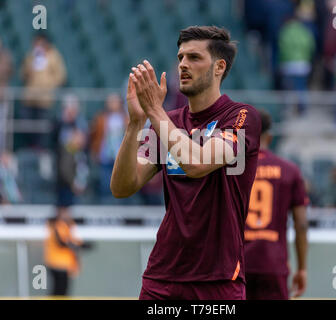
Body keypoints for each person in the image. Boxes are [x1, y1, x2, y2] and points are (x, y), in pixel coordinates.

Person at [111, 26, 261, 300]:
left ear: (219, 67)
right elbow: (122, 187)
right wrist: (135, 123)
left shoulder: (241, 117)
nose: (183, 65)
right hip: (162, 277)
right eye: (180, 57)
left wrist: (155, 111)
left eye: (194, 57)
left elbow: (196, 163)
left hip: (218, 280)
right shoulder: (168, 122)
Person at [244, 110, 309, 300]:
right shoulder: (289, 170)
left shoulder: (233, 170)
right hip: (273, 263)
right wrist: (302, 268)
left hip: (236, 265)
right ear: (269, 137)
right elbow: (301, 224)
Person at [21, 32, 67, 149]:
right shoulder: (31, 56)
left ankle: (41, 148)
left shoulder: (54, 56)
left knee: (43, 125)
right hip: (30, 97)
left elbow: (60, 75)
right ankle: (31, 146)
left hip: (45, 98)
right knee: (27, 123)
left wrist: (49, 85)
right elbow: (23, 74)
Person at [44, 206, 90, 296]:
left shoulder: (68, 225)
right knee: (59, 291)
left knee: (63, 291)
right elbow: (62, 242)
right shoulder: (57, 225)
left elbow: (73, 241)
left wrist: (82, 245)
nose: (67, 214)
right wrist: (78, 246)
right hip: (57, 263)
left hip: (65, 264)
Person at [53, 94, 88, 207]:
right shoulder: (58, 123)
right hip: (63, 168)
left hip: (76, 165)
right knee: (63, 200)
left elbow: (85, 144)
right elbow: (53, 142)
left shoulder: (79, 124)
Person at [0, 37, 13, 153]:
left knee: (2, 127)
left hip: (2, 97)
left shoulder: (5, 57)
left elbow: (7, 72)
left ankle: (2, 151)